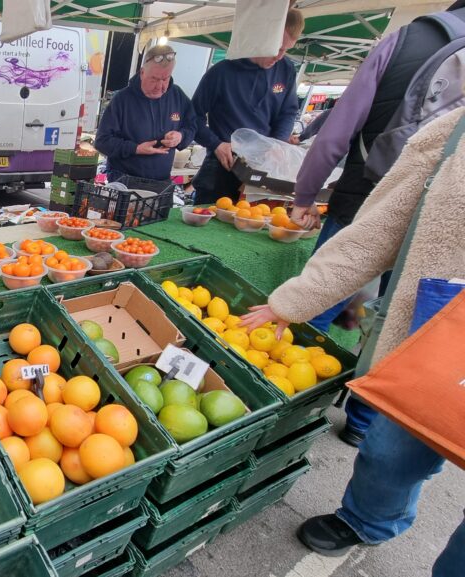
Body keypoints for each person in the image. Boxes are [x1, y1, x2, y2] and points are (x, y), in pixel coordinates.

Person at [239, 107, 465, 577]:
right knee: (395, 442)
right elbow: (372, 235)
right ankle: (369, 519)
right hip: (435, 333)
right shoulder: (453, 131)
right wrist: (293, 302)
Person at [285, 2, 465, 445]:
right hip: (444, 226)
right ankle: (364, 422)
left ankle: (294, 408)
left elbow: (335, 133)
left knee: (322, 305)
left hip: (365, 200)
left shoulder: (407, 40)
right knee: (394, 319)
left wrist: (305, 195)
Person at [190, 8, 304, 204]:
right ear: (263, 36)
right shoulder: (221, 73)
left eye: (286, 49)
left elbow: (288, 112)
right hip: (222, 166)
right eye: (277, 48)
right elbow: (192, 118)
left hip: (263, 167)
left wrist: (277, 143)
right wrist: (215, 144)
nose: (279, 56)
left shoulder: (286, 69)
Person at [94, 44, 197, 184]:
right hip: (125, 181)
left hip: (162, 181)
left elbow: (192, 125)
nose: (159, 86)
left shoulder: (178, 96)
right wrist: (136, 149)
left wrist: (180, 136)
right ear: (142, 73)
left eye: (165, 79)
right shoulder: (122, 100)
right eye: (154, 79)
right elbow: (102, 141)